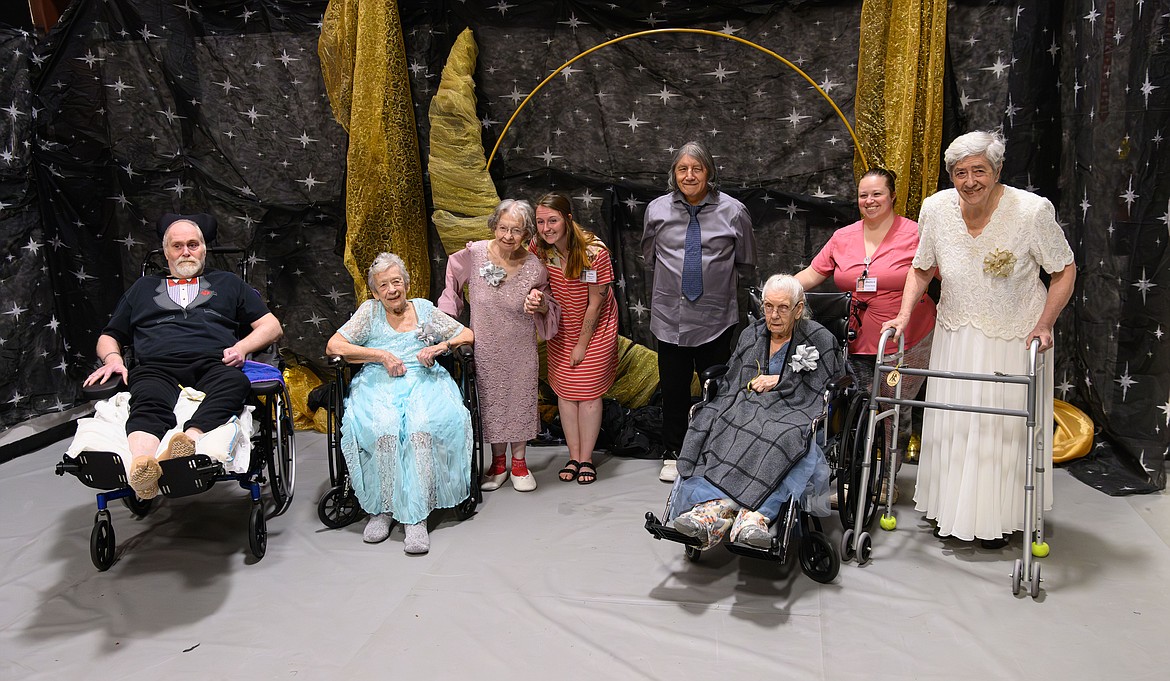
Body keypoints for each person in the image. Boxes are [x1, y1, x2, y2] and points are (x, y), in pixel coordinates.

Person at [882, 130, 1076, 549]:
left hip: (1014, 336)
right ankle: (950, 510)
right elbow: (921, 267)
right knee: (954, 423)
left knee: (998, 430)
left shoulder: (1031, 211)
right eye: (960, 172)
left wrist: (1045, 323)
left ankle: (998, 520)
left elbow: (1064, 270)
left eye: (979, 171)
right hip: (955, 332)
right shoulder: (935, 208)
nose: (969, 181)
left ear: (998, 169)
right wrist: (902, 313)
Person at [82, 213, 283, 500]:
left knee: (234, 384)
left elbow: (271, 326)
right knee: (148, 399)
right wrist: (113, 358)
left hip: (214, 363)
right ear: (166, 252)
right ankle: (142, 465)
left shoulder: (228, 282)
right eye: (177, 246)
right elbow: (109, 335)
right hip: (156, 366)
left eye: (193, 244)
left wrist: (241, 348)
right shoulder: (142, 288)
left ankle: (184, 444)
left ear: (204, 248)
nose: (185, 251)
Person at [670, 275, 842, 549]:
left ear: (798, 309)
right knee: (721, 421)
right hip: (749, 406)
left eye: (783, 308)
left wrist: (781, 380)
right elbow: (735, 379)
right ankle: (711, 511)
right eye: (768, 306)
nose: (774, 315)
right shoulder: (752, 335)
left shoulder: (819, 338)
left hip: (794, 411)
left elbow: (824, 386)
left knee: (784, 436)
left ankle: (754, 517)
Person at [795, 168, 937, 498]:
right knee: (859, 407)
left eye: (877, 194)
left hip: (907, 337)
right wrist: (779, 291)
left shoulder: (915, 234)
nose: (869, 201)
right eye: (863, 195)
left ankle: (887, 480)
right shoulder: (843, 237)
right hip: (858, 339)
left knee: (893, 410)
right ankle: (857, 474)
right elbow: (813, 274)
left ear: (892, 197)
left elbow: (941, 274)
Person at [326, 253, 475, 554]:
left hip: (424, 380)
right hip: (379, 382)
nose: (392, 289)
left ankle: (416, 518)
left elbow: (466, 334)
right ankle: (382, 509)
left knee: (421, 428)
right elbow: (334, 346)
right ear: (375, 292)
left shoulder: (424, 309)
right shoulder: (369, 313)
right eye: (384, 285)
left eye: (397, 282)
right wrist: (380, 355)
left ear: (406, 283)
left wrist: (439, 347)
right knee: (386, 429)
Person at [642, 140, 756, 483]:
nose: (689, 176)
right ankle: (674, 452)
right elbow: (650, 257)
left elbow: (745, 259)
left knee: (716, 389)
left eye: (697, 169)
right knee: (674, 390)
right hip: (669, 318)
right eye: (682, 169)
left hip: (715, 319)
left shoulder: (734, 211)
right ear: (673, 174)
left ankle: (712, 451)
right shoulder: (656, 210)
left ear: (709, 173)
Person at [439, 199, 559, 492]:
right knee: (490, 404)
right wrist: (447, 322)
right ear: (494, 226)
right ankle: (498, 464)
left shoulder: (535, 268)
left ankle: (520, 464)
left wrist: (541, 304)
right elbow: (452, 281)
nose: (508, 235)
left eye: (516, 230)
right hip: (486, 347)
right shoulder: (475, 252)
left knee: (519, 402)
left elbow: (550, 306)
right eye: (503, 228)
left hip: (520, 348)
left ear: (527, 234)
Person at [531, 192, 619, 485]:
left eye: (553, 220)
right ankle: (573, 455)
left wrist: (582, 345)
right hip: (562, 325)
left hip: (595, 327)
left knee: (589, 392)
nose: (546, 228)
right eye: (540, 221)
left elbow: (596, 303)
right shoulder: (539, 248)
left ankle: (586, 459)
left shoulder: (595, 252)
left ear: (568, 219)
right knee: (566, 393)